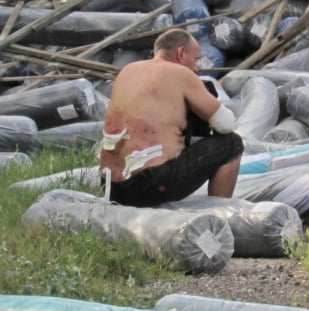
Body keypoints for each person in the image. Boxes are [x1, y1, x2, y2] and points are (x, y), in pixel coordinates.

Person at [98, 28, 243, 207]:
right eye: (195, 59)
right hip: (151, 183)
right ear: (181, 53)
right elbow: (226, 124)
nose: (196, 68)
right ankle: (218, 214)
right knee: (232, 143)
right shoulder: (180, 73)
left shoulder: (127, 70)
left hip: (110, 186)